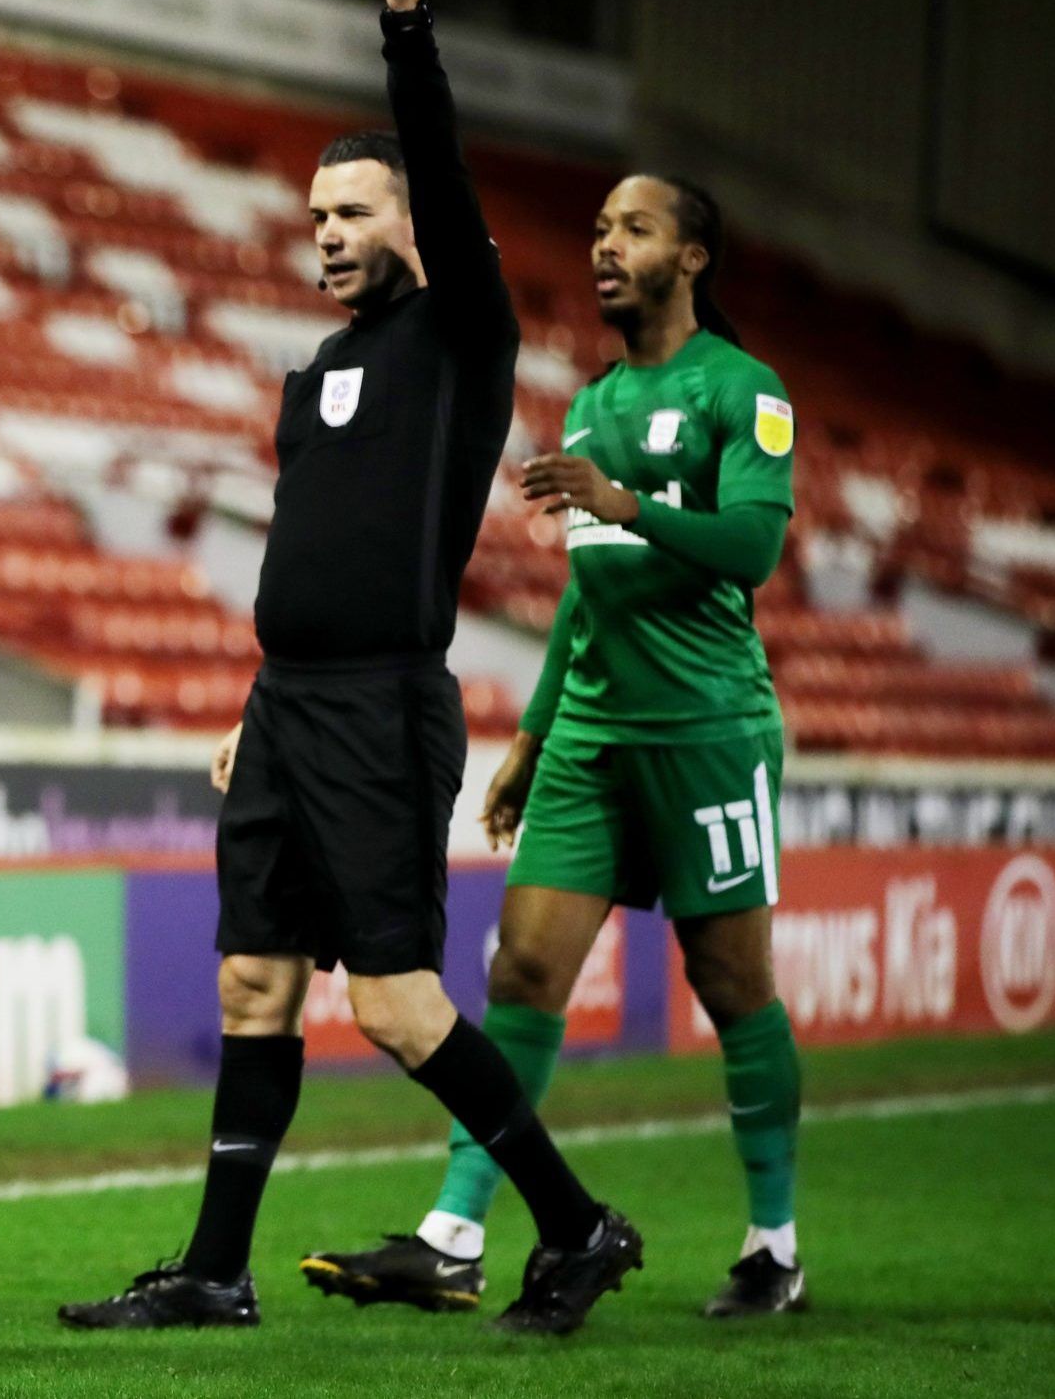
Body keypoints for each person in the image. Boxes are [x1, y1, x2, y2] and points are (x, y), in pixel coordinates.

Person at [58, 0, 641, 1341]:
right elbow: (309, 556)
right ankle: (215, 1272)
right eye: (316, 217)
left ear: (414, 227)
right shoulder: (317, 370)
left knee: (390, 1006)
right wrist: (254, 705)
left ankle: (577, 1225)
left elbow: (440, 165)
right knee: (253, 979)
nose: (327, 235)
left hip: (383, 706)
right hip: (287, 704)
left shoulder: (461, 336)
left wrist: (406, 24)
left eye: (355, 214)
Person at [300, 174, 806, 1320]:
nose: (606, 247)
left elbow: (750, 549)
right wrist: (531, 736)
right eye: (598, 229)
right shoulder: (588, 406)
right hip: (588, 734)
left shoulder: (743, 389)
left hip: (706, 727)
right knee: (523, 971)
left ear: (692, 257)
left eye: (635, 229)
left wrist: (626, 503)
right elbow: (589, 588)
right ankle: (455, 1231)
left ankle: (772, 1244)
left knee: (733, 986)